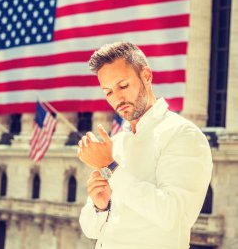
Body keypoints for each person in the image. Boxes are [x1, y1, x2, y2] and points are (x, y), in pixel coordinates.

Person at [77, 41, 213, 249]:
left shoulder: (183, 134)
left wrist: (111, 167)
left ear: (146, 76)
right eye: (108, 92)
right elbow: (90, 229)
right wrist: (99, 206)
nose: (117, 98)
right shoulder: (117, 143)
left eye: (123, 86)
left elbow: (173, 217)